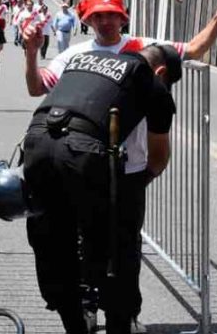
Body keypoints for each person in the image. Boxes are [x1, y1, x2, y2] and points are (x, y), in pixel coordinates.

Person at [23, 0, 217, 332]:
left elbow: (194, 49)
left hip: (128, 166)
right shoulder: (76, 54)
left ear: (124, 18)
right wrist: (32, 53)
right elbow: (38, 87)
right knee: (83, 241)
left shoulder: (145, 49)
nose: (105, 22)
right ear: (88, 20)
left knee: (120, 246)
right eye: (98, 16)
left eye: (112, 15)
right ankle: (88, 306)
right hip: (86, 162)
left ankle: (120, 313)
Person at [22, 43, 179, 333]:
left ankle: (74, 324)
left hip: (36, 143)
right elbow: (158, 159)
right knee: (115, 251)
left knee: (54, 244)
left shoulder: (85, 60)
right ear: (161, 72)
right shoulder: (153, 84)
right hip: (84, 154)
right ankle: (118, 323)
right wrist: (130, 189)